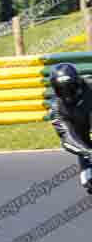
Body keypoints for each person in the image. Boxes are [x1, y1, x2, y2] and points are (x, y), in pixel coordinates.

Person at [49, 63, 92, 193]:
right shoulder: (57, 109)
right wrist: (88, 153)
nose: (66, 94)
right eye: (61, 90)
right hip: (81, 132)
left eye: (70, 88)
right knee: (89, 183)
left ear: (78, 83)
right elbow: (67, 139)